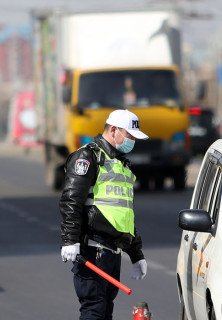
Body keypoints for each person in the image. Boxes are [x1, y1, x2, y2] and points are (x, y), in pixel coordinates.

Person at [60, 109, 149, 319]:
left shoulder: (121, 165)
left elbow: (122, 216)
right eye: (129, 136)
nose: (132, 141)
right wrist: (70, 239)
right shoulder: (87, 157)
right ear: (114, 130)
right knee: (94, 311)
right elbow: (71, 200)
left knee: (105, 312)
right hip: (93, 252)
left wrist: (136, 254)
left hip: (112, 254)